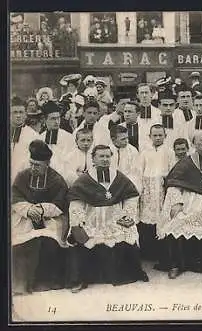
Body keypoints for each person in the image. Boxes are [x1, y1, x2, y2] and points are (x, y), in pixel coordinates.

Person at [66, 145, 148, 292]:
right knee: (83, 239)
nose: (105, 160)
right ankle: (80, 279)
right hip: (92, 220)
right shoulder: (84, 180)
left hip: (114, 219)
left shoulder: (118, 176)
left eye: (107, 156)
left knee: (127, 233)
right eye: (101, 156)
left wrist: (127, 214)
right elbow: (76, 204)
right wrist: (79, 221)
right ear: (93, 159)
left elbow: (131, 196)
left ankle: (132, 272)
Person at [156, 131, 202, 278]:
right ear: (194, 144)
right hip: (188, 202)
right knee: (177, 224)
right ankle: (176, 264)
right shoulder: (185, 163)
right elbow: (172, 185)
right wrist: (177, 203)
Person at [11, 140, 69, 294]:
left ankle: (45, 281)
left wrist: (42, 209)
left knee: (47, 240)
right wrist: (28, 209)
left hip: (51, 218)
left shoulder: (57, 179)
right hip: (25, 217)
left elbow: (60, 203)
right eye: (31, 164)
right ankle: (20, 284)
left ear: (47, 164)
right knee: (21, 242)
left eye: (37, 165)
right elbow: (14, 196)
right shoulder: (22, 175)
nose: (33, 168)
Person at [137, 124, 171, 261]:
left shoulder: (169, 152)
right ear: (150, 136)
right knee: (147, 218)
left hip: (162, 188)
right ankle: (147, 252)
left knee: (162, 218)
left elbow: (172, 169)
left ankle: (161, 253)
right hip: (148, 189)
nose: (157, 138)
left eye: (160, 135)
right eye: (155, 135)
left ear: (165, 136)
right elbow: (139, 170)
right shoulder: (145, 152)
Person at [39, 101, 75, 176]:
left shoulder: (68, 137)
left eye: (58, 118)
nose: (57, 122)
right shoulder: (40, 138)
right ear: (45, 120)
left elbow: (71, 161)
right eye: (53, 119)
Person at [11, 97, 40, 183]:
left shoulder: (33, 136)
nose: (18, 116)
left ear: (26, 114)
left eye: (21, 112)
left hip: (23, 180)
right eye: (15, 112)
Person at [109, 125, 140, 189]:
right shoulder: (107, 151)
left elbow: (135, 172)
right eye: (123, 139)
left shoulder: (132, 150)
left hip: (128, 184)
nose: (127, 141)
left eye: (127, 138)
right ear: (113, 139)